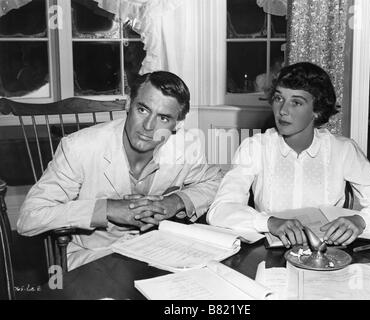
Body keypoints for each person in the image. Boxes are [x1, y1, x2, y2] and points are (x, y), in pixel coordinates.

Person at [18, 71, 223, 270]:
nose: (148, 126)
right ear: (128, 104)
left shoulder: (187, 147)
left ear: (178, 123)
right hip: (92, 257)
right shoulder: (79, 147)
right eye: (142, 110)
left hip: (159, 251)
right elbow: (29, 218)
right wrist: (106, 209)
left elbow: (218, 182)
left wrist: (175, 202)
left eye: (163, 118)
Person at [207, 62, 370, 248]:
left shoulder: (342, 150)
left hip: (328, 254)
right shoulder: (255, 148)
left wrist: (360, 220)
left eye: (296, 102)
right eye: (279, 98)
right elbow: (220, 210)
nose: (283, 111)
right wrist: (269, 222)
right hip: (274, 255)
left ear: (317, 111)